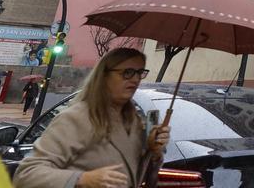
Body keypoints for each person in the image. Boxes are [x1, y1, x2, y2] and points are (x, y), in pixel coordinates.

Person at [13, 47, 170, 188]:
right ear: (104, 75)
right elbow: (27, 174)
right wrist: (82, 179)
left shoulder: (134, 122)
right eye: (127, 73)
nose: (135, 79)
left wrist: (153, 152)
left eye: (140, 73)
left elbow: (139, 179)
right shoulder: (77, 117)